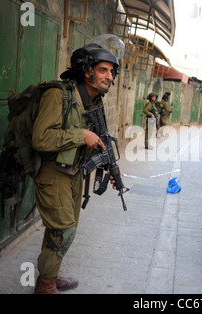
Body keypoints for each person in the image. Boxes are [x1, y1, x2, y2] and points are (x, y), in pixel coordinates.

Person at [31, 43, 121, 294]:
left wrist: (111, 166)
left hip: (74, 173)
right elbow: (40, 139)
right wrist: (80, 136)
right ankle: (45, 286)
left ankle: (50, 274)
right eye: (103, 70)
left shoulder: (95, 101)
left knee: (62, 228)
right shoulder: (58, 95)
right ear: (86, 71)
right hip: (52, 173)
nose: (109, 77)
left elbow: (97, 138)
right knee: (63, 230)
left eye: (112, 72)